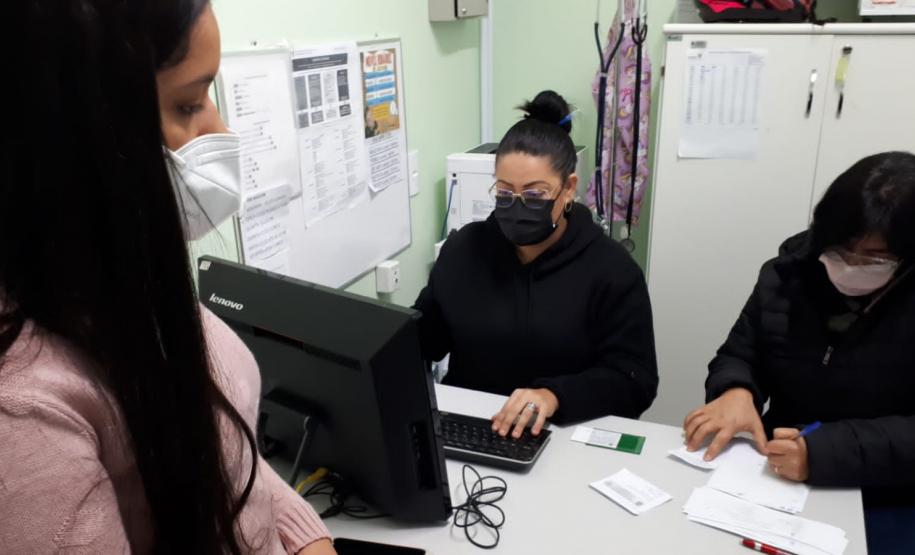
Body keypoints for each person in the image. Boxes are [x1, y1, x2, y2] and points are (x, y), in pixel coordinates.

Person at [0, 2, 335, 553]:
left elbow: (222, 453)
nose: (220, 131)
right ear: (74, 134)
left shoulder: (121, 283)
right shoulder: (26, 416)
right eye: (188, 103)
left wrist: (303, 539)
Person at [683, 152, 915, 555]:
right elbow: (740, 352)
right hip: (776, 478)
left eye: (874, 259)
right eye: (840, 250)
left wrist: (827, 453)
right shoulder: (788, 274)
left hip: (888, 493)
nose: (850, 267)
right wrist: (736, 390)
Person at [414, 90, 658, 439]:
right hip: (470, 427)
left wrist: (554, 395)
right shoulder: (464, 250)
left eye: (533, 195)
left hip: (563, 433)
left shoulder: (612, 271)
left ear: (569, 188)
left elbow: (636, 381)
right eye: (504, 193)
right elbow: (423, 339)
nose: (517, 206)